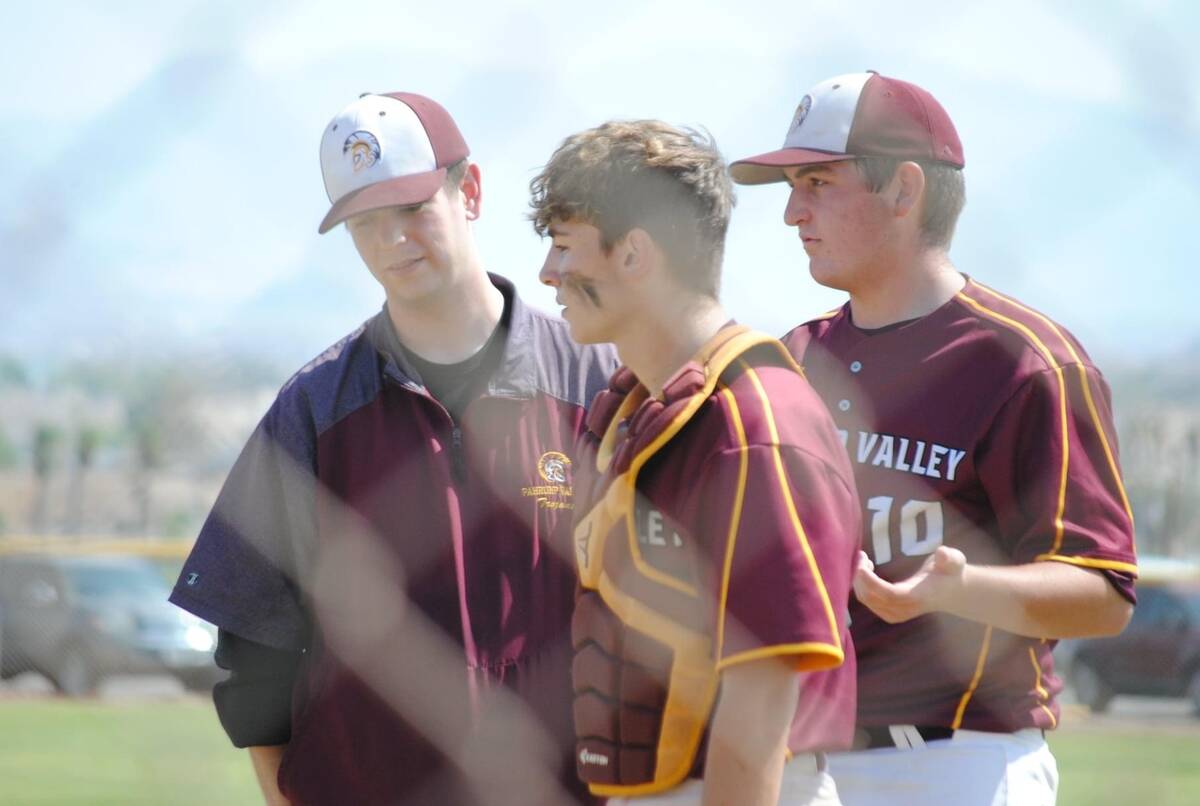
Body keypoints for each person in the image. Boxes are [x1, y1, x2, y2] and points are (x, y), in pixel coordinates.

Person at [169, 91, 617, 805]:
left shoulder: (598, 380)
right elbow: (253, 648)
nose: (392, 241)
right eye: (366, 221)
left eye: (412, 209)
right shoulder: (316, 406)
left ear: (468, 190)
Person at [730, 71, 1138, 805]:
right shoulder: (795, 357)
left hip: (954, 761)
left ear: (904, 190)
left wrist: (963, 589)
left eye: (818, 181)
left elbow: (1104, 592)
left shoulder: (1025, 362)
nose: (792, 212)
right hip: (802, 754)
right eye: (791, 186)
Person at [529, 120, 860, 805]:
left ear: (634, 255)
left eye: (564, 246)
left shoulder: (753, 418)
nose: (547, 273)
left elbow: (763, 696)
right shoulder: (633, 410)